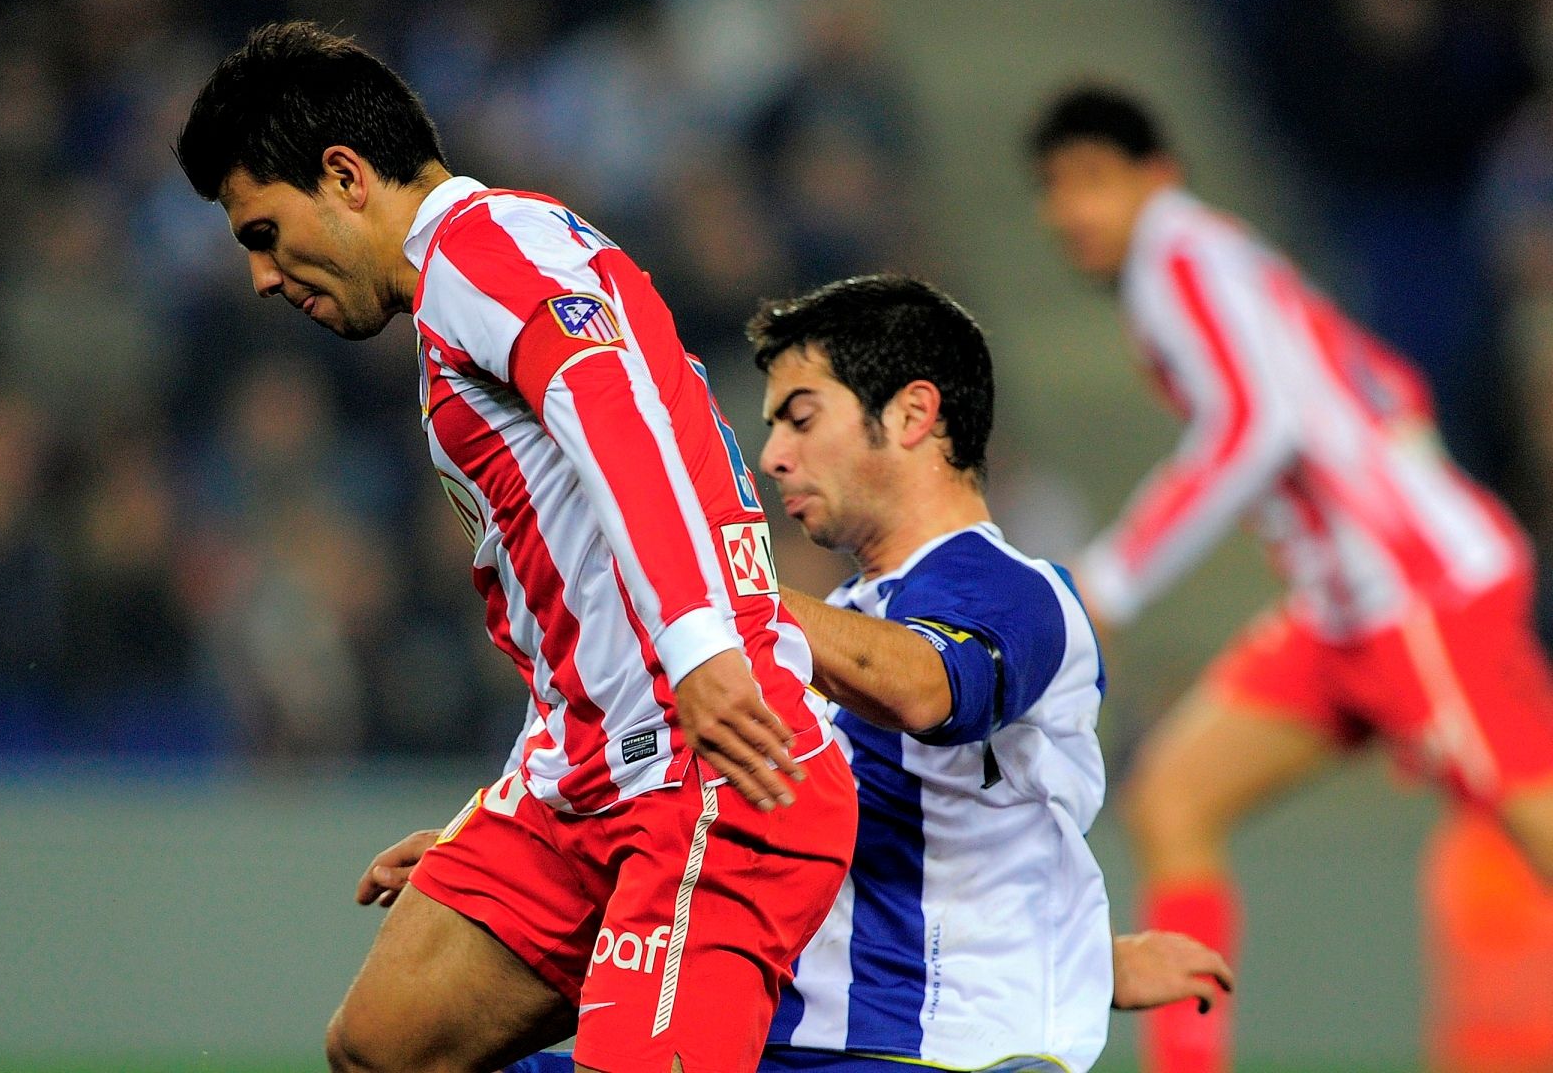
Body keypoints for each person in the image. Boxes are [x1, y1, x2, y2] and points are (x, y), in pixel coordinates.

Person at [175, 21, 857, 1073]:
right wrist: (518, 800)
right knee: (382, 1044)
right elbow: (570, 596)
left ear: (346, 176)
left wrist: (699, 647)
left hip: (707, 768)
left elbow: (616, 411)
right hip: (588, 779)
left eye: (263, 231)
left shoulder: (482, 247)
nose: (264, 275)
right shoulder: (475, 280)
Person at [373, 275, 1235, 1073]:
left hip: (919, 1054)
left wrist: (709, 585)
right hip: (783, 1040)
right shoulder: (823, 627)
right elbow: (747, 824)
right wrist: (521, 855)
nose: (775, 455)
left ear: (913, 414)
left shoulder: (1018, 592)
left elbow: (926, 688)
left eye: (801, 417)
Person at [1030, 85, 1553, 1073]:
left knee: (1536, 827)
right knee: (1172, 800)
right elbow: (1385, 384)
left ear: (1157, 178)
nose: (1071, 211)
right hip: (1346, 609)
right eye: (1055, 189)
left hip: (1421, 595)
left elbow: (1251, 422)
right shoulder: (1221, 260)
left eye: (1093, 181)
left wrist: (1112, 578)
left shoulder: (1174, 260)